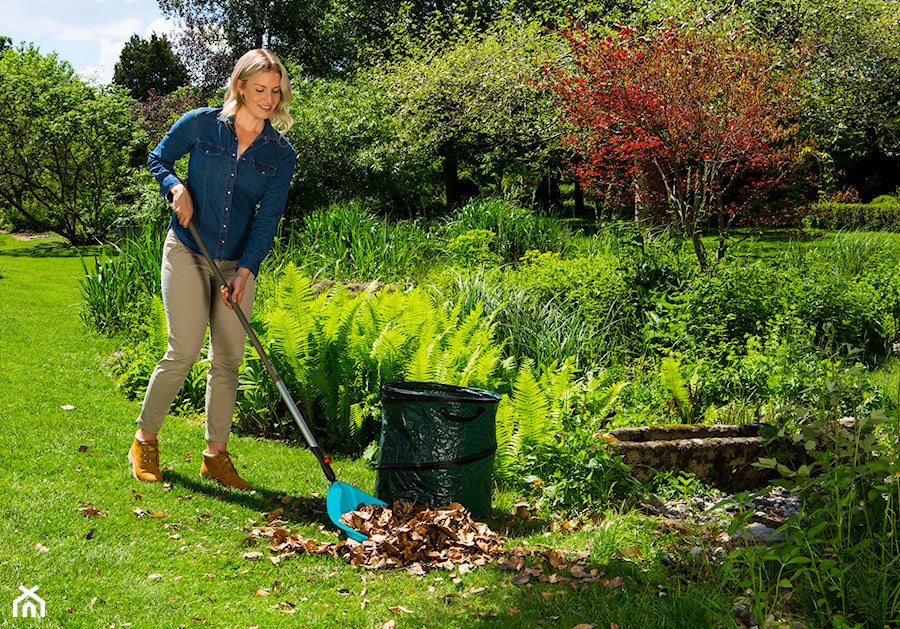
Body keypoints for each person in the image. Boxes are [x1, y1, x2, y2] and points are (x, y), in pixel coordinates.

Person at [128, 49, 297, 489]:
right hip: (187, 248)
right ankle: (145, 441)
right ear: (240, 85)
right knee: (183, 349)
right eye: (259, 89)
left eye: (275, 91)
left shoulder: (280, 154)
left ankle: (215, 456)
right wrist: (175, 186)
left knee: (228, 360)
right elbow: (157, 158)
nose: (268, 99)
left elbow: (267, 218)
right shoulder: (202, 124)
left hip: (235, 262)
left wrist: (246, 271)